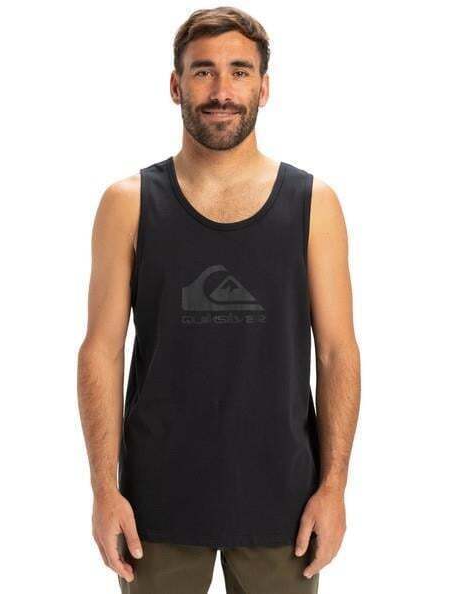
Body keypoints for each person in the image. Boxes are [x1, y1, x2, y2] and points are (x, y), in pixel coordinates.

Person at [77, 6, 361, 593]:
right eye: (203, 71)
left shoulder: (314, 204)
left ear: (264, 87)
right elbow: (100, 351)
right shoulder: (128, 203)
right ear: (176, 85)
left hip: (285, 507)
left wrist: (334, 489)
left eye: (239, 71)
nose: (222, 91)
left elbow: (337, 352)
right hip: (154, 507)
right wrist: (104, 491)